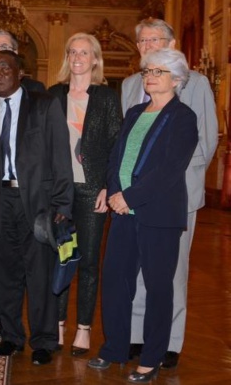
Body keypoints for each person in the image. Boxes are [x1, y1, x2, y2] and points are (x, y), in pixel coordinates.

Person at [88, 48, 198, 382]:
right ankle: (116, 348)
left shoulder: (183, 117)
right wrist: (110, 188)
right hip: (123, 212)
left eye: (158, 71)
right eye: (147, 71)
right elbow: (116, 156)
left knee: (158, 288)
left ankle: (150, 359)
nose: (149, 76)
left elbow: (168, 170)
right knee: (116, 283)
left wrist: (130, 197)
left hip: (158, 215)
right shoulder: (135, 112)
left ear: (176, 79)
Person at [121, 19, 218, 369]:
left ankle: (171, 342)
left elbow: (206, 142)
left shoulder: (196, 82)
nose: (147, 45)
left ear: (172, 42)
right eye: (142, 40)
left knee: (172, 271)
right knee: (138, 268)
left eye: (155, 39)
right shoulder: (131, 84)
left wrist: (173, 182)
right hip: (135, 195)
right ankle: (137, 335)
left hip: (177, 195)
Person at [0, 50, 73, 366]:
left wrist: (62, 205)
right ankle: (12, 336)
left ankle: (44, 340)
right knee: (4, 274)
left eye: (3, 67)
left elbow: (60, 157)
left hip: (38, 204)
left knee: (39, 274)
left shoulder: (44, 105)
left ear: (20, 73)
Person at [48, 33, 122, 355]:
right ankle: (58, 323)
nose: (77, 57)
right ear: (67, 58)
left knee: (89, 261)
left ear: (95, 59)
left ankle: (84, 329)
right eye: (72, 52)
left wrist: (109, 186)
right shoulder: (53, 95)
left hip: (93, 190)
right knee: (61, 258)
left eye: (84, 52)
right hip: (58, 192)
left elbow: (116, 145)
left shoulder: (106, 97)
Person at [0, 28, 45, 335]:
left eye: (4, 50)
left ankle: (37, 332)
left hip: (29, 196)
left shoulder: (40, 97)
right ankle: (1, 320)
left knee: (32, 266)